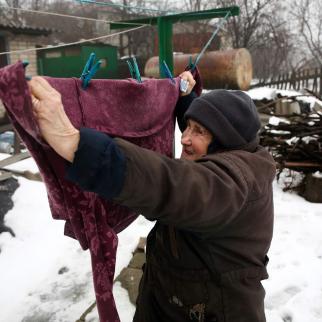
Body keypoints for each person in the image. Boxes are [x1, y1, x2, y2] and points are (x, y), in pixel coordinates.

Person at [29, 72, 275, 322]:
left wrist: (76, 145)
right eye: (187, 125)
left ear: (225, 141)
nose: (185, 137)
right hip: (172, 297)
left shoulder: (233, 185)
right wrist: (182, 97)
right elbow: (208, 128)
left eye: (198, 131)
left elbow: (171, 184)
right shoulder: (228, 149)